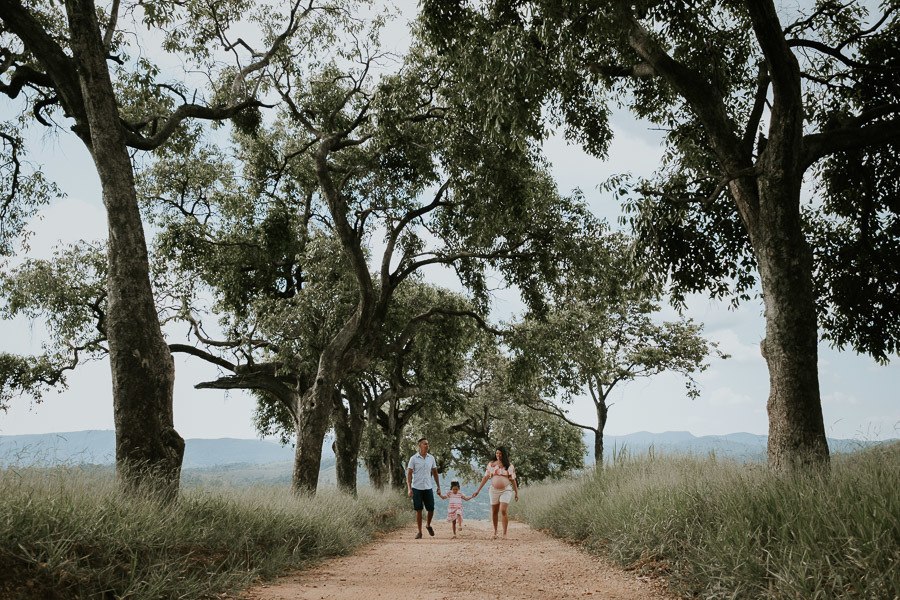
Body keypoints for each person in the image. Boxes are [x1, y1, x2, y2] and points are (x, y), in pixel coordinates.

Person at [472, 446, 518, 539]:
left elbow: (513, 479)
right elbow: (485, 477)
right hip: (493, 490)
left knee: (503, 510)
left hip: (506, 490)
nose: (498, 455)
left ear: (503, 454)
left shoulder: (509, 465)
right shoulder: (491, 464)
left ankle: (504, 534)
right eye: (497, 453)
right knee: (494, 511)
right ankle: (495, 532)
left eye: (500, 453)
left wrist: (516, 493)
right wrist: (478, 490)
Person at [406, 437, 441, 539]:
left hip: (428, 487)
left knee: (431, 508)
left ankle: (428, 524)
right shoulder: (413, 459)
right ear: (419, 445)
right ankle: (419, 532)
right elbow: (409, 474)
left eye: (428, 444)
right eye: (425, 444)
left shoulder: (431, 458)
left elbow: (435, 472)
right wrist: (409, 488)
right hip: (417, 487)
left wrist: (438, 487)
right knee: (419, 510)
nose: (427, 446)